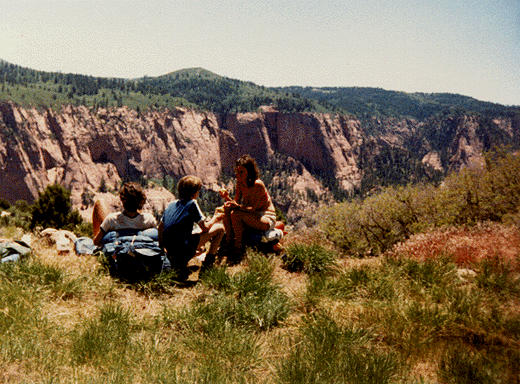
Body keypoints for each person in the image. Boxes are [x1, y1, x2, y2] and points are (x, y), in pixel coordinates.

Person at [158, 175, 224, 280]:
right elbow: (205, 228)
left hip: (170, 250)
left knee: (194, 232)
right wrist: (216, 218)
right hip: (182, 250)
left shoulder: (171, 204)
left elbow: (160, 228)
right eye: (198, 190)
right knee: (220, 228)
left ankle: (179, 260)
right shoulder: (192, 203)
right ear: (194, 193)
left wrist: (162, 247)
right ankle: (208, 264)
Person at [220, 155, 276, 260]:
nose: (238, 175)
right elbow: (236, 202)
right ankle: (228, 241)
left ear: (249, 172)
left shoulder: (258, 184)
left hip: (265, 217)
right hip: (250, 215)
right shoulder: (240, 183)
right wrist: (226, 197)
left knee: (235, 214)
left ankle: (238, 247)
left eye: (241, 172)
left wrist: (237, 206)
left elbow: (253, 209)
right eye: (237, 171)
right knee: (227, 209)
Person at [93, 182, 157, 246]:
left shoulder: (111, 220)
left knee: (100, 202)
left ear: (122, 200)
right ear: (141, 201)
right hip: (142, 251)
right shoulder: (149, 220)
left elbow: (96, 242)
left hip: (118, 251)